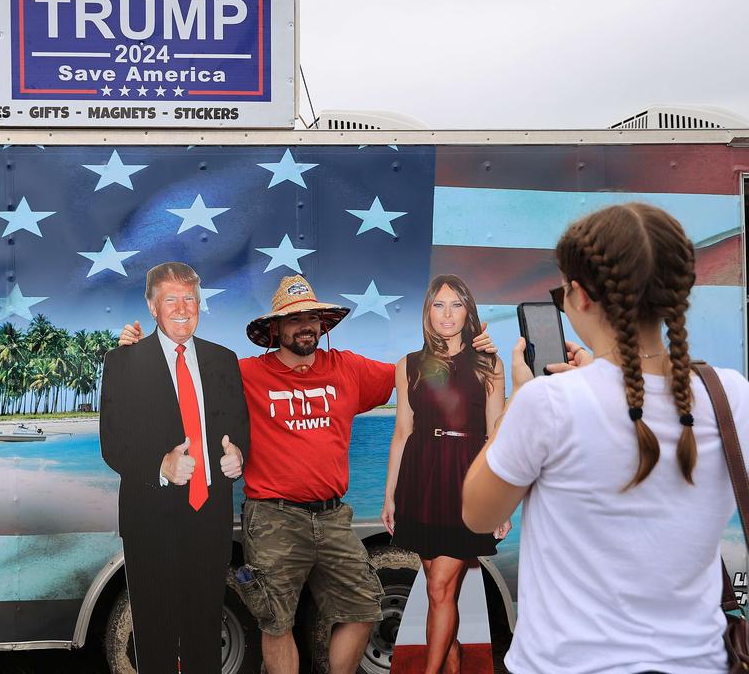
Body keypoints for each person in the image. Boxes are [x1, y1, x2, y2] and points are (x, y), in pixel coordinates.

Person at [120, 274, 497, 674]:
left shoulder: (349, 368)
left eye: (312, 317)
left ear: (323, 324)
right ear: (276, 328)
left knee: (365, 607)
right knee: (276, 621)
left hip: (334, 517)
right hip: (272, 518)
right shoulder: (244, 373)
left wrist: (470, 351)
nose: (305, 325)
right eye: (294, 318)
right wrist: (135, 356)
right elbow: (181, 378)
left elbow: (421, 375)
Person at [462, 202, 749, 674]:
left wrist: (519, 396)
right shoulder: (730, 396)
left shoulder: (548, 403)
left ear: (581, 295)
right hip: (698, 663)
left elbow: (478, 513)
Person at [99, 261, 250, 674]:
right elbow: (113, 445)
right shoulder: (123, 362)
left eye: (190, 298)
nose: (183, 308)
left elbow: (240, 431)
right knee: (155, 639)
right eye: (171, 299)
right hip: (149, 523)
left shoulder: (224, 360)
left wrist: (238, 455)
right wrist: (162, 466)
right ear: (152, 306)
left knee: (205, 634)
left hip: (209, 521)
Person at [381, 274, 508, 674]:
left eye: (456, 304)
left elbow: (496, 436)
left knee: (439, 588)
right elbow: (402, 432)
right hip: (420, 480)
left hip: (465, 483)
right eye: (439, 304)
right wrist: (389, 495)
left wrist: (500, 502)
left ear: (468, 310)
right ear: (428, 312)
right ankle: (452, 661)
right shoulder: (408, 365)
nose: (447, 314)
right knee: (442, 593)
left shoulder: (490, 363)